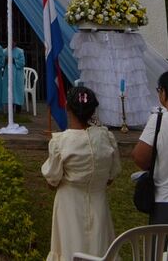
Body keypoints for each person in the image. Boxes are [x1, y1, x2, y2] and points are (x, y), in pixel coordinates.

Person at [42, 86, 121, 261]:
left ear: (67, 107)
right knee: (99, 247)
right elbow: (111, 176)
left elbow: (52, 181)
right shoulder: (106, 138)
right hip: (98, 202)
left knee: (70, 248)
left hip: (69, 204)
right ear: (93, 110)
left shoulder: (61, 142)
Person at [132, 70, 168, 225]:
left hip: (164, 202)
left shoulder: (159, 120)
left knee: (163, 248)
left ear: (164, 93)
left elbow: (139, 156)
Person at [3, 41, 25, 113]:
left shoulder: (20, 51)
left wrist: (14, 60)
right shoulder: (5, 51)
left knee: (17, 90)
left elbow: (22, 62)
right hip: (8, 74)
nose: (12, 43)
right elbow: (1, 62)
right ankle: (10, 109)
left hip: (17, 75)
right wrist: (5, 60)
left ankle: (18, 108)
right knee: (9, 91)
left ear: (15, 42)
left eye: (13, 42)